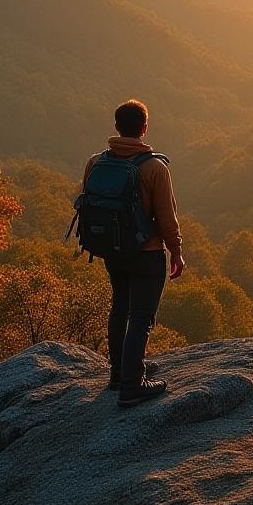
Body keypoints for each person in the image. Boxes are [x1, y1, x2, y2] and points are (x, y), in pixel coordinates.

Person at [81, 99, 184, 407]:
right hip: (147, 252)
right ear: (144, 128)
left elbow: (91, 205)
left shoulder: (96, 162)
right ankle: (132, 384)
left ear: (116, 128)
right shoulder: (154, 167)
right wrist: (176, 251)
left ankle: (119, 373)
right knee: (141, 316)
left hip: (112, 250)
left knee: (120, 308)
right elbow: (166, 217)